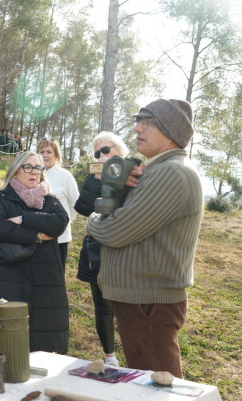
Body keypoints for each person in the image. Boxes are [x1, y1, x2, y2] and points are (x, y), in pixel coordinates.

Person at [87, 98, 202, 378]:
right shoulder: (157, 170)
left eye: (145, 121)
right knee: (148, 385)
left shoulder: (171, 173)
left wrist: (93, 219)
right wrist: (116, 189)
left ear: (169, 129)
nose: (137, 127)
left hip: (149, 304)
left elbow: (113, 231)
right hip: (143, 302)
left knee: (157, 388)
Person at [0, 150, 69, 353]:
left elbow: (59, 223)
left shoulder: (49, 199)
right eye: (27, 167)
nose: (34, 172)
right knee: (9, 345)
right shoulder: (1, 197)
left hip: (44, 279)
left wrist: (23, 219)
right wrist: (37, 236)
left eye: (38, 167)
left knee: (43, 344)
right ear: (15, 171)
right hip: (9, 276)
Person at [75, 131, 133, 367]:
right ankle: (110, 357)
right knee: (102, 306)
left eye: (106, 150)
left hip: (127, 252)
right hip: (97, 251)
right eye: (97, 152)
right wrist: (96, 180)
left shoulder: (135, 171)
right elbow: (83, 207)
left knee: (129, 308)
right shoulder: (95, 176)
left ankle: (135, 355)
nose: (101, 155)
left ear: (120, 150)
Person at [36, 138, 79, 270]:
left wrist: (62, 223)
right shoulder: (32, 173)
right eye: (41, 151)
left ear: (56, 154)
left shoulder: (65, 176)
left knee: (56, 276)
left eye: (49, 151)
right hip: (36, 236)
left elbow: (74, 204)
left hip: (59, 238)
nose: (45, 155)